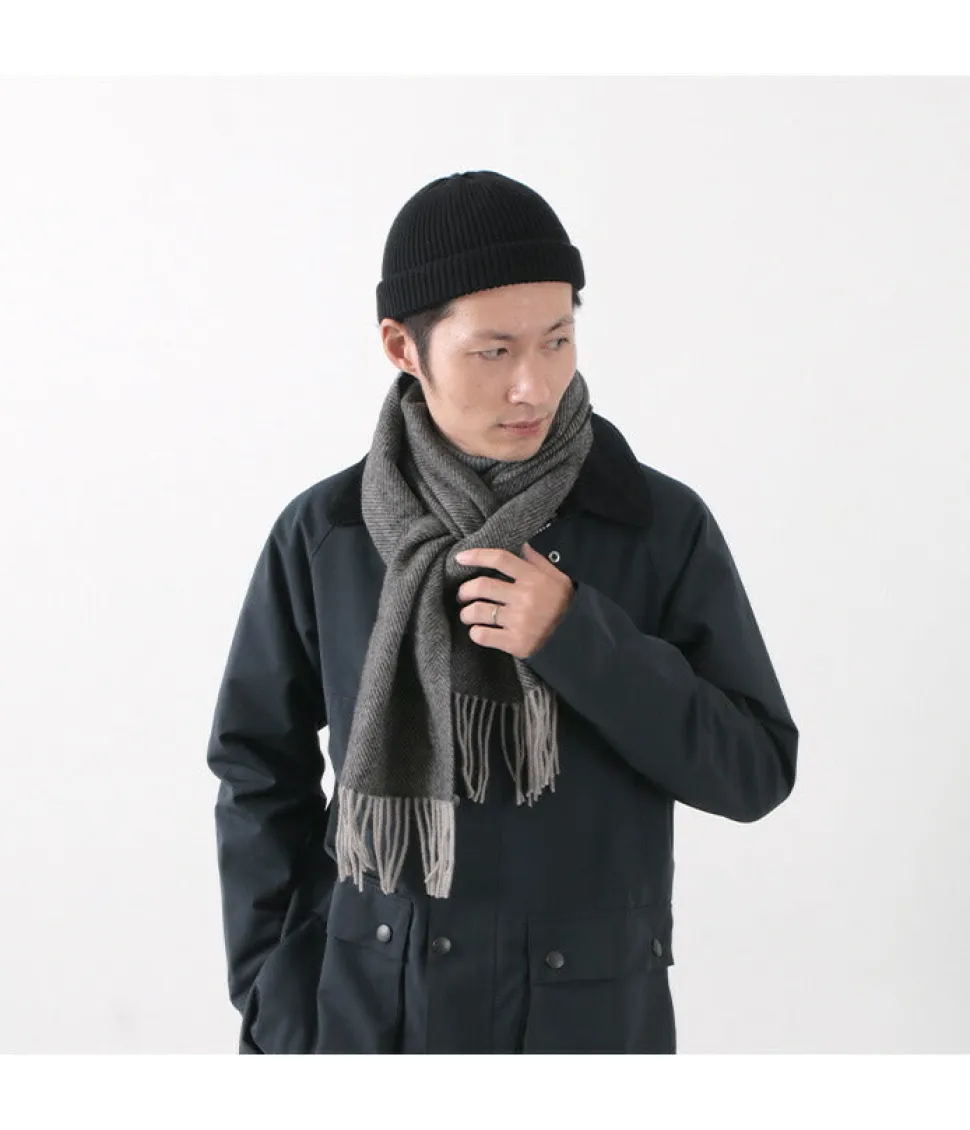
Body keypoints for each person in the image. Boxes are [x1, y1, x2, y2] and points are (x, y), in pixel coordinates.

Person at [205, 169, 799, 1054]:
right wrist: (275, 997)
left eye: (558, 340)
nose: (535, 385)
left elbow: (754, 771)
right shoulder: (330, 534)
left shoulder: (655, 525)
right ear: (403, 347)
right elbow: (257, 769)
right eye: (495, 351)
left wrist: (579, 640)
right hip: (369, 1022)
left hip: (585, 1029)